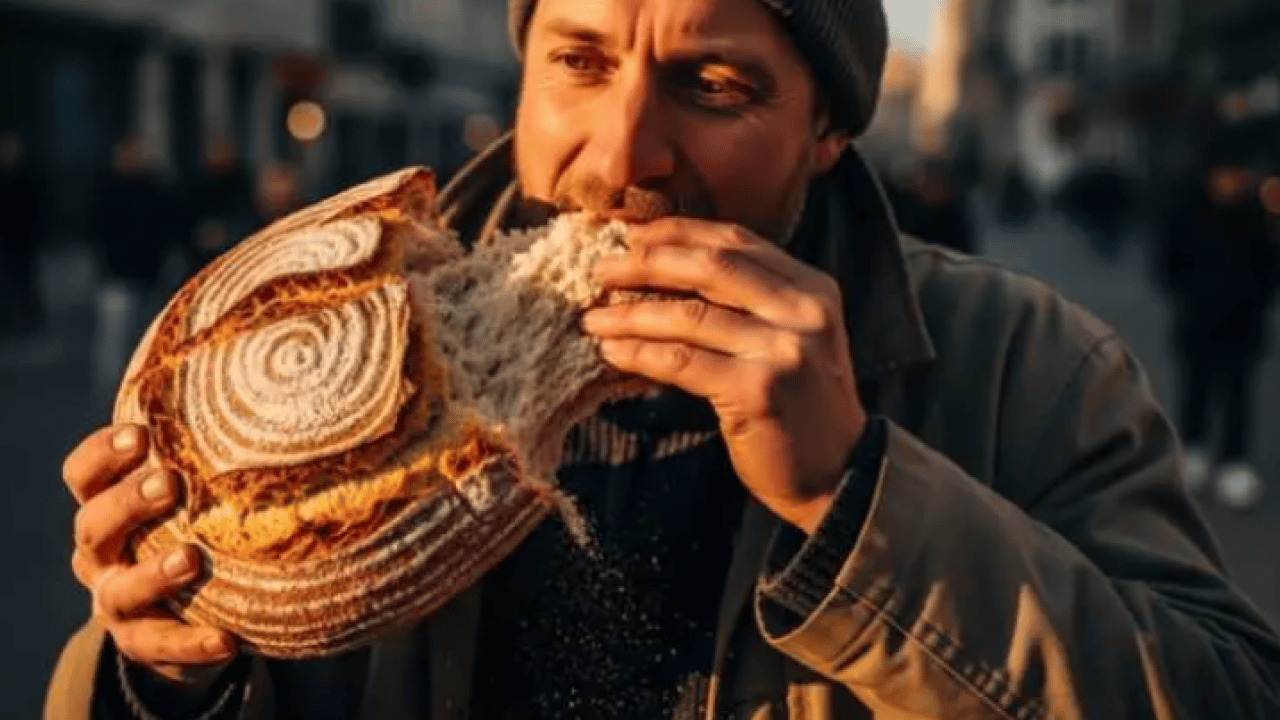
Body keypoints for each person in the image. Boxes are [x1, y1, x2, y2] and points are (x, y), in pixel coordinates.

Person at [48, 0, 1280, 718]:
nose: (625, 150)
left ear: (829, 134)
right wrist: (166, 678)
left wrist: (853, 500)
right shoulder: (309, 357)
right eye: (578, 61)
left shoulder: (1028, 365)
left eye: (713, 82)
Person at [1153, 146, 1280, 510]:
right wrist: (1188, 294)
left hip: (1243, 320)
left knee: (1238, 393)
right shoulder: (1188, 211)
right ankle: (1194, 450)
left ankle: (1233, 462)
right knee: (1196, 386)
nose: (1231, 184)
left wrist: (1258, 301)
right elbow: (1168, 261)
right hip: (1198, 317)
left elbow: (1269, 266)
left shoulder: (1255, 215)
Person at [88, 138, 179, 402]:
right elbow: (98, 229)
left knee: (143, 334)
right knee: (115, 334)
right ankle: (111, 387)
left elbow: (166, 224)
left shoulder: (151, 188)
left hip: (146, 271)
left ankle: (141, 385)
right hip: (118, 272)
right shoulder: (108, 190)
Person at [0, 131, 48, 337]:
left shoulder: (27, 177)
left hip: (22, 238)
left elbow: (35, 207)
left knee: (25, 279)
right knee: (10, 280)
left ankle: (27, 318)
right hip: (8, 238)